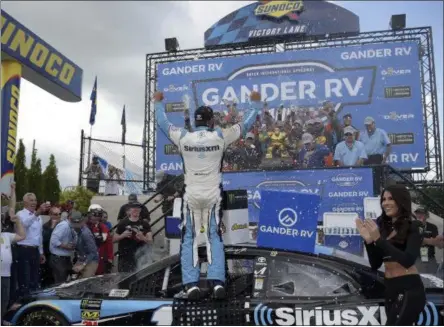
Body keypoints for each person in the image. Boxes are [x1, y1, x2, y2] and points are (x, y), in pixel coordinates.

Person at [154, 90, 262, 300]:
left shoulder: (184, 136)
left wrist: (158, 103)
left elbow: (162, 122)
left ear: (195, 122)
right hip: (213, 195)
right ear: (212, 121)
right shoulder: (220, 135)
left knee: (189, 239)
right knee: (214, 237)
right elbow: (246, 125)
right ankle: (218, 283)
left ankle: (191, 285)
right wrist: (255, 105)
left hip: (192, 195)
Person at [356, 184, 426, 325]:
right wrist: (369, 241)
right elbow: (376, 264)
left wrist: (379, 240)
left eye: (390, 199)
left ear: (401, 201)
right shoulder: (383, 227)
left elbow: (408, 260)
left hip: (409, 288)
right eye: (383, 199)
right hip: (390, 287)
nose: (385, 203)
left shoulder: (414, 226)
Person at [15, 193, 50, 299]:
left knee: (35, 279)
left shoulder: (37, 216)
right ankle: (23, 305)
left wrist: (41, 252)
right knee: (24, 279)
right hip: (23, 250)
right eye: (31, 200)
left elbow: (39, 236)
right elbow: (24, 225)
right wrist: (37, 214)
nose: (34, 202)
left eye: (35, 200)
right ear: (25, 202)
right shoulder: (20, 214)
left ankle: (33, 304)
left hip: (35, 251)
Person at [1, 183, 25, 318]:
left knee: (6, 296)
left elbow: (12, 206)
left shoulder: (6, 214)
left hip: (9, 245)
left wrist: (13, 190)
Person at [113, 203, 153, 273]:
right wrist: (123, 235)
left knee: (140, 279)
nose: (136, 209)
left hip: (141, 258)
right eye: (133, 208)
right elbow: (113, 240)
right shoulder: (122, 223)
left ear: (140, 210)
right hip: (125, 258)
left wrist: (143, 238)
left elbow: (150, 242)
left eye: (138, 208)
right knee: (124, 279)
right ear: (129, 210)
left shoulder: (145, 224)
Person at [49, 210, 77, 284]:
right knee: (60, 284)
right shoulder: (64, 225)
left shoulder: (70, 226)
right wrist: (66, 246)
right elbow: (54, 240)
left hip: (65, 259)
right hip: (58, 259)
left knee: (65, 283)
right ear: (70, 217)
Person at [414, 206, 439, 274]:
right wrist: (429, 240)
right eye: (417, 213)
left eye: (422, 213)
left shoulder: (433, 227)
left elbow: (437, 242)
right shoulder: (412, 225)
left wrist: (423, 241)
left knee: (433, 278)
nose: (419, 215)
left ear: (427, 215)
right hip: (416, 258)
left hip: (430, 257)